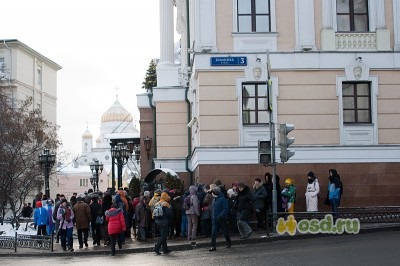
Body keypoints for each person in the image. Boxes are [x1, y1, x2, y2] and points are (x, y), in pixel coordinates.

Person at [209, 186, 231, 252]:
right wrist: (212, 217)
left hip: (221, 219)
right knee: (213, 233)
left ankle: (229, 242)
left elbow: (225, 209)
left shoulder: (222, 199)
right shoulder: (213, 200)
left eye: (212, 192)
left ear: (215, 193)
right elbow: (212, 209)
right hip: (215, 219)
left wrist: (220, 216)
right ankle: (213, 246)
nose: (211, 194)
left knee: (225, 232)